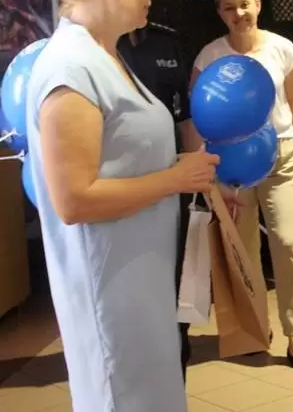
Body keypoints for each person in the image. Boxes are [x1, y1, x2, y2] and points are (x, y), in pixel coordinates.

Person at [24, 0, 219, 412]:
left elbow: (122, 160)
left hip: (140, 279)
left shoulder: (105, 57)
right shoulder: (71, 68)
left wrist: (175, 168)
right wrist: (175, 178)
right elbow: (74, 201)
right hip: (111, 291)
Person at [188, 0, 293, 374]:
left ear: (258, 4)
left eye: (245, 4)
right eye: (229, 7)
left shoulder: (282, 48)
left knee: (286, 241)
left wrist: (272, 140)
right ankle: (255, 328)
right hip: (230, 164)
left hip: (280, 156)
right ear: (220, 13)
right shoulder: (209, 56)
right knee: (243, 250)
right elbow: (199, 112)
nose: (239, 13)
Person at [117, 21, 194, 380]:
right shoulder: (97, 50)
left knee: (176, 291)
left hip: (174, 187)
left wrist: (203, 181)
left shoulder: (168, 42)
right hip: (125, 196)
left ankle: (175, 374)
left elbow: (185, 117)